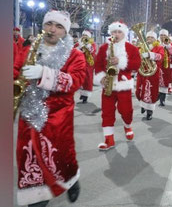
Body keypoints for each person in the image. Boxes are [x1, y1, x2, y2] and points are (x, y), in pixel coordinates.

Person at [15, 10, 86, 207]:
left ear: (65, 31)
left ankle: (71, 180)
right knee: (27, 157)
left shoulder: (75, 55)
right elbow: (13, 71)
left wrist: (44, 73)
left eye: (59, 26)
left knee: (62, 156)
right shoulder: (27, 50)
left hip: (57, 116)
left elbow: (75, 81)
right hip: (28, 114)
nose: (52, 29)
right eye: (49, 24)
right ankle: (36, 196)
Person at [94, 21, 141, 151]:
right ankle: (109, 140)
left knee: (126, 111)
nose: (116, 34)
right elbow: (97, 65)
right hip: (108, 85)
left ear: (124, 33)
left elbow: (137, 64)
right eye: (114, 32)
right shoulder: (104, 48)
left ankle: (127, 125)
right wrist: (101, 78)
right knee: (107, 112)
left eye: (119, 32)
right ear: (111, 33)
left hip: (123, 85)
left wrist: (120, 61)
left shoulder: (131, 48)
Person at [135, 31, 164, 120]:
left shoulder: (159, 47)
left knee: (151, 92)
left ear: (155, 39)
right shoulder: (141, 46)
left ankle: (149, 111)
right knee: (140, 90)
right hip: (142, 72)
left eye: (151, 38)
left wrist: (150, 55)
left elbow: (161, 56)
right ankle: (143, 105)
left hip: (153, 73)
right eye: (148, 38)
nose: (149, 39)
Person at [74, 30, 97, 103]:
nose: (84, 36)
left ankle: (85, 96)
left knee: (88, 79)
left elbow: (92, 50)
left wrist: (87, 45)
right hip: (80, 64)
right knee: (81, 79)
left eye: (85, 35)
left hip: (88, 64)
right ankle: (82, 93)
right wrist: (80, 47)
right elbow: (74, 50)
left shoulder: (92, 43)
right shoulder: (79, 43)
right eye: (83, 35)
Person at [158, 29, 172, 105]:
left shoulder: (169, 43)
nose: (162, 37)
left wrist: (168, 46)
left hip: (166, 66)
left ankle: (162, 100)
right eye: (161, 35)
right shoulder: (156, 43)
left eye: (164, 35)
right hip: (157, 65)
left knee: (164, 82)